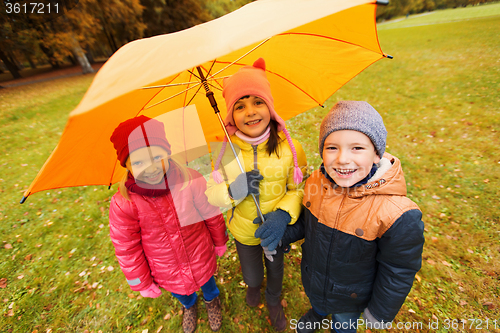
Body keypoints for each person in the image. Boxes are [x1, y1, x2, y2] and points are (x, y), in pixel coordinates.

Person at [281, 101, 425, 333]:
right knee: (318, 300)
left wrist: (380, 312)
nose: (342, 159)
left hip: (352, 296)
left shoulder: (397, 215)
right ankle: (318, 311)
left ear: (376, 153)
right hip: (315, 278)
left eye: (357, 148)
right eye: (332, 148)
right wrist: (283, 234)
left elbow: (398, 269)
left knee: (343, 322)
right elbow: (308, 225)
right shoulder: (316, 183)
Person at [205, 58, 308, 331]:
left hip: (275, 230)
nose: (250, 112)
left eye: (257, 102)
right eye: (240, 106)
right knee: (252, 273)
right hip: (243, 232)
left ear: (270, 107)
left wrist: (283, 215)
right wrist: (233, 190)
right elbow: (209, 194)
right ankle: (253, 287)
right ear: (230, 115)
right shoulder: (223, 152)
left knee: (276, 270)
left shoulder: (290, 147)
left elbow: (298, 188)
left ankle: (273, 299)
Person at [108, 115, 229, 333]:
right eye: (138, 162)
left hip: (199, 253)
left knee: (207, 282)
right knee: (181, 292)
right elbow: (126, 248)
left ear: (167, 153)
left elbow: (210, 212)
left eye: (157, 157)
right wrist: (141, 282)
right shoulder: (124, 203)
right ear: (126, 166)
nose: (151, 167)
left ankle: (212, 300)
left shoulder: (190, 180)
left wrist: (219, 240)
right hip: (165, 268)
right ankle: (189, 306)